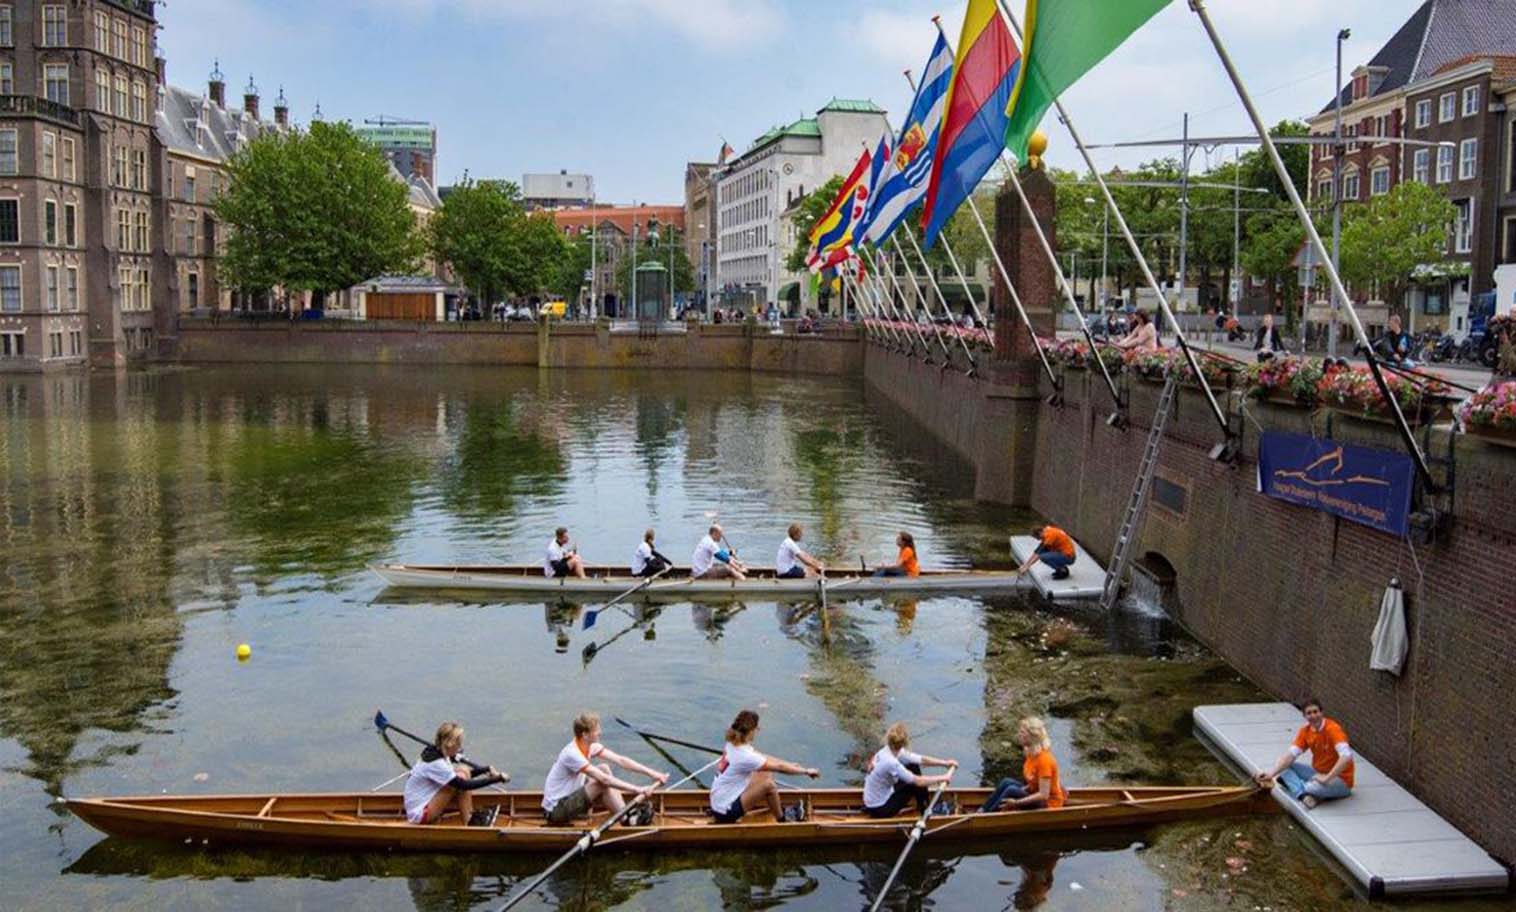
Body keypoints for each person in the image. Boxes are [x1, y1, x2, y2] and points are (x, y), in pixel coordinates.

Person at [542, 712, 668, 825]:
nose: (600, 732)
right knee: (602, 781)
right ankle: (626, 819)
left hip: (568, 798)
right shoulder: (572, 754)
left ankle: (625, 813)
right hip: (556, 811)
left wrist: (654, 774)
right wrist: (638, 789)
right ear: (585, 734)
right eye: (596, 729)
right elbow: (604, 780)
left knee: (604, 768)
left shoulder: (589, 745)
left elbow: (621, 761)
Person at [708, 709, 819, 823]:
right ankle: (782, 819)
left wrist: (790, 764)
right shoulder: (745, 755)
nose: (759, 730)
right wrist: (806, 771)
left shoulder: (733, 743)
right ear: (751, 731)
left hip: (718, 801)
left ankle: (769, 804)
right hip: (725, 812)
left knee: (765, 772)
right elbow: (779, 767)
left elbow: (764, 758)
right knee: (769, 785)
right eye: (757, 728)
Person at [1253, 698, 1354, 809]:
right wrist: (1270, 775)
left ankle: (1296, 786)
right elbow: (1291, 756)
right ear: (1304, 716)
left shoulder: (1333, 729)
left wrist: (1327, 778)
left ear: (1321, 712)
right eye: (1309, 713)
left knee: (1311, 788)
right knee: (1281, 764)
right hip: (1318, 773)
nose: (1313, 716)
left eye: (1315, 712)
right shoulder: (1305, 731)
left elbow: (1346, 757)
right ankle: (1302, 795)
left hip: (1341, 780)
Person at [402, 722, 508, 827]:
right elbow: (463, 785)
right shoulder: (436, 764)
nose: (460, 747)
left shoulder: (439, 752)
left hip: (426, 802)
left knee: (464, 770)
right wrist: (497, 779)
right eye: (459, 744)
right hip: (420, 814)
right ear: (450, 744)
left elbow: (462, 779)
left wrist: (486, 769)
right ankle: (470, 822)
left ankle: (470, 819)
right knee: (459, 780)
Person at [861, 722, 957, 819]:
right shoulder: (890, 762)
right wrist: (942, 778)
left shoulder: (887, 750)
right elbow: (918, 781)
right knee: (914, 783)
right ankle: (926, 812)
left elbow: (921, 760)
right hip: (880, 809)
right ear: (904, 743)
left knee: (913, 766)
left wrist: (945, 763)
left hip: (872, 800)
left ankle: (924, 806)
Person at [979, 716, 1066, 812]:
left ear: (1032, 737)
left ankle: (988, 816)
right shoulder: (1030, 753)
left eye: (1022, 733)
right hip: (1034, 792)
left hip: (1048, 804)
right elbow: (1034, 782)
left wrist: (1016, 802)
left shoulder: (1044, 760)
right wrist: (1023, 790)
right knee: (1007, 782)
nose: (1019, 735)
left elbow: (1043, 795)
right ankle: (983, 810)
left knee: (1011, 790)